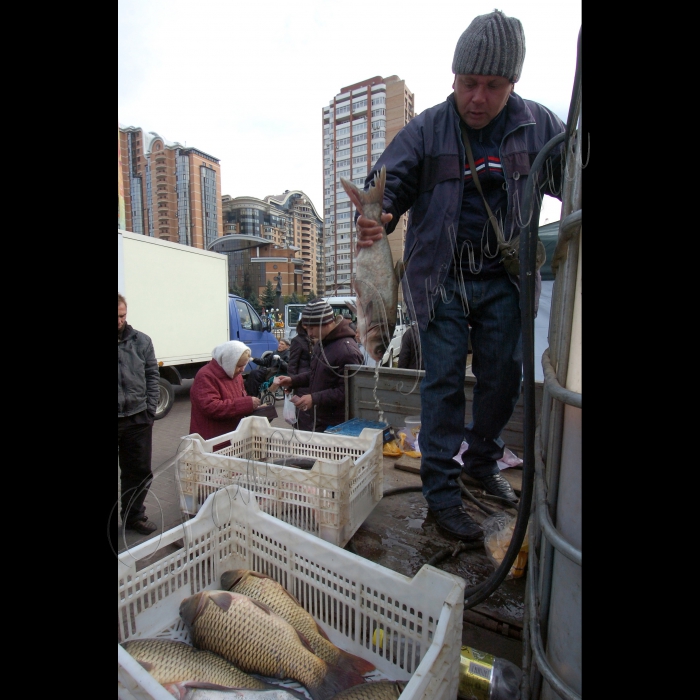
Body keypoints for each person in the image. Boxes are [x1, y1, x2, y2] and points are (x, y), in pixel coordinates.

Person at [352, 10, 565, 542]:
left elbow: (574, 175)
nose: (478, 97)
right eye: (469, 83)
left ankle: (481, 461)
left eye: (493, 86)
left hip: (506, 281)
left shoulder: (538, 125)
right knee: (443, 385)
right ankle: (442, 495)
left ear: (511, 84)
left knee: (503, 381)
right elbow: (387, 181)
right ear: (454, 78)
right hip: (439, 280)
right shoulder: (427, 127)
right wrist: (379, 215)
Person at [277, 299, 362, 432]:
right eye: (307, 328)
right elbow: (316, 374)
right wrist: (293, 380)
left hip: (337, 425)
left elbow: (347, 391)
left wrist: (314, 398)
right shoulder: (322, 344)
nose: (309, 333)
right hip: (320, 419)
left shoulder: (347, 351)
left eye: (312, 328)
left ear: (326, 323)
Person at [118, 293, 160, 537]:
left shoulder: (141, 341)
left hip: (137, 418)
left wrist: (150, 410)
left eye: (122, 316)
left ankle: (134, 516)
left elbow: (152, 374)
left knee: (139, 471)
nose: (119, 321)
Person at [189, 340, 261, 449]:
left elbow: (239, 398)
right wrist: (246, 403)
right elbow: (211, 407)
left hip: (231, 438)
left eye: (244, 365)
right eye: (239, 366)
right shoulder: (205, 376)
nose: (242, 369)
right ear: (229, 362)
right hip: (212, 440)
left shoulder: (235, 374)